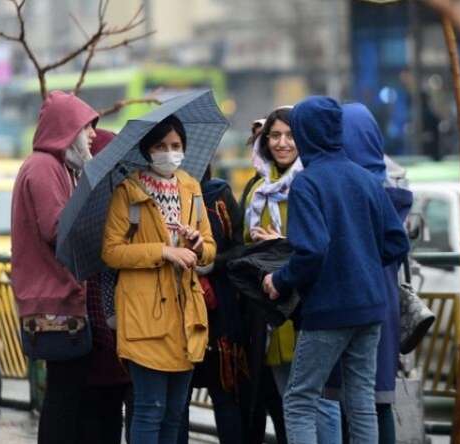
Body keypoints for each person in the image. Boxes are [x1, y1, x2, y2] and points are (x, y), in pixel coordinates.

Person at [263, 96, 409, 443]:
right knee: (361, 401)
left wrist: (279, 280)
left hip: (328, 308)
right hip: (371, 307)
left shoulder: (308, 183)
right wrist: (364, 266)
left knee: (300, 398)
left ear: (306, 133)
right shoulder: (366, 178)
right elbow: (397, 243)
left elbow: (311, 250)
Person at [101, 115, 216, 444]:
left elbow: (209, 249)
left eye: (176, 146)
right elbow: (111, 252)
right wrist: (162, 251)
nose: (170, 152)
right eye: (161, 146)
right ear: (147, 150)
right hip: (143, 315)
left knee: (176, 410)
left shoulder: (192, 188)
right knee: (150, 407)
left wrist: (197, 244)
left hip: (185, 313)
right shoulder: (128, 191)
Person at [241, 107, 341, 444]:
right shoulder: (256, 190)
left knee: (321, 402)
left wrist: (280, 245)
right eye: (274, 136)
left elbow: (323, 243)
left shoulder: (313, 181)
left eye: (291, 135)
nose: (282, 143)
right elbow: (245, 248)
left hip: (313, 308)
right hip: (273, 312)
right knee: (291, 402)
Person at [11, 90, 98, 444]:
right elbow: (57, 229)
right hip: (54, 300)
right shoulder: (45, 167)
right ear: (67, 129)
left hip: (53, 298)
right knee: (63, 397)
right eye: (87, 127)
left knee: (66, 394)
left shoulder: (54, 166)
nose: (92, 135)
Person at [326, 103, 413, 444]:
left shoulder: (346, 186)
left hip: (348, 300)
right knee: (377, 399)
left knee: (356, 401)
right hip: (383, 299)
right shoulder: (389, 183)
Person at [178, 165, 246, 444]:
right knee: (177, 400)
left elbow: (239, 247)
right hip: (177, 312)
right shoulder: (160, 196)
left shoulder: (219, 195)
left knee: (225, 395)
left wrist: (211, 263)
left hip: (221, 315)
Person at [80, 129, 134, 444]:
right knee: (103, 414)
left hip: (124, 326)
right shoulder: (88, 209)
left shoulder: (127, 198)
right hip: (103, 329)